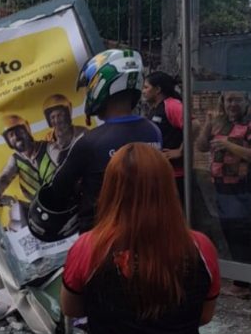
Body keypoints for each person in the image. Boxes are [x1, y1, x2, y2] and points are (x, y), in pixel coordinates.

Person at [62, 143, 220, 334]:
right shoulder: (200, 247)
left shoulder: (88, 248)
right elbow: (204, 315)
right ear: (166, 187)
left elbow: (72, 308)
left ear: (110, 189)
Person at [30, 49, 162, 242]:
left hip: (101, 242)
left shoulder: (90, 142)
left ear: (100, 85)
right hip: (148, 234)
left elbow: (58, 189)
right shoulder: (152, 131)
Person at [196, 90, 251, 299]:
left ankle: (243, 284)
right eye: (229, 99)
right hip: (221, 188)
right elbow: (201, 147)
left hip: (244, 189)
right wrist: (207, 126)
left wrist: (229, 145)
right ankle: (241, 279)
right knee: (230, 233)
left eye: (238, 99)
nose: (232, 104)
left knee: (240, 235)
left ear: (247, 102)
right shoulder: (218, 123)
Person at [0, 115, 55, 227]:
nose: (16, 137)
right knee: (16, 212)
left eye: (18, 131)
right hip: (36, 207)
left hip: (61, 200)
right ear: (8, 141)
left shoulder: (49, 147)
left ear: (27, 130)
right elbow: (5, 176)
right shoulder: (16, 159)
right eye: (11, 135)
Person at [143, 71, 185, 200]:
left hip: (174, 175)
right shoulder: (154, 109)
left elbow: (193, 125)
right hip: (159, 173)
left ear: (157, 90)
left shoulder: (172, 105)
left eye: (146, 87)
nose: (143, 91)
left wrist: (181, 151)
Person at [42, 93, 89, 168]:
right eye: (53, 117)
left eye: (60, 115)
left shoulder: (83, 133)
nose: (57, 120)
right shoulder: (47, 142)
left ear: (67, 114)